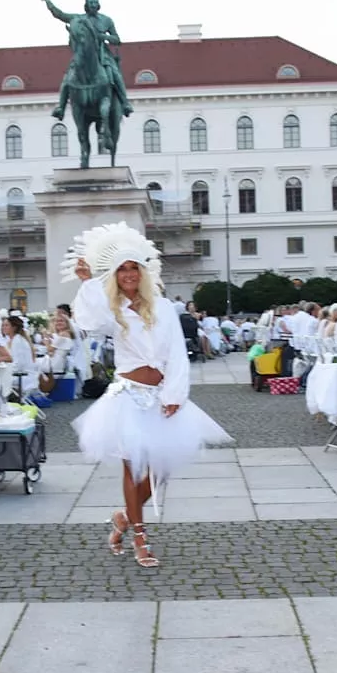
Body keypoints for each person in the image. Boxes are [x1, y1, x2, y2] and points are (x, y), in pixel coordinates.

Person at [69, 223, 230, 568]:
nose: (128, 274)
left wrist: (174, 394)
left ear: (143, 271)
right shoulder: (113, 310)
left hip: (161, 396)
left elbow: (176, 353)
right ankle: (140, 537)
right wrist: (86, 282)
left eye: (133, 267)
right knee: (135, 470)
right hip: (128, 397)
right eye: (121, 269)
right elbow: (90, 320)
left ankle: (124, 519)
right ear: (115, 275)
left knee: (161, 472)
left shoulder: (163, 308)